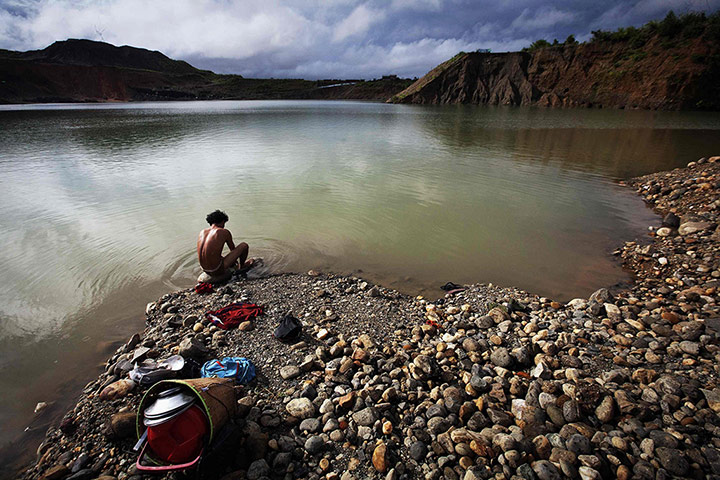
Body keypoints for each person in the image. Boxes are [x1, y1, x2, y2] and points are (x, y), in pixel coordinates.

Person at [197, 210, 254, 276]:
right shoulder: (223, 232)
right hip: (216, 270)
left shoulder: (202, 232)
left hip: (204, 269)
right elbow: (232, 249)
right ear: (222, 221)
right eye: (224, 223)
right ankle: (242, 266)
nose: (224, 226)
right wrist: (234, 261)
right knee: (244, 245)